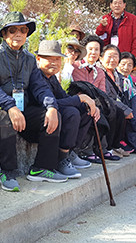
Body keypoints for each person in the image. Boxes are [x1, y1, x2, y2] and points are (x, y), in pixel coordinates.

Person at [0, 12, 67, 192]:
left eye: (23, 30)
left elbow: (40, 86)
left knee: (52, 113)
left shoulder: (29, 59)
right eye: (12, 30)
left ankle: (42, 167)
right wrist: (10, 105)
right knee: (6, 117)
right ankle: (7, 172)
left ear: (27, 34)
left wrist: (51, 106)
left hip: (21, 108)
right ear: (4, 34)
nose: (18, 34)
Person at [35, 40, 100, 176]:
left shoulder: (52, 77)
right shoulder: (36, 75)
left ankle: (71, 151)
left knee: (85, 109)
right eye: (49, 59)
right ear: (38, 59)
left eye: (57, 59)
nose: (54, 62)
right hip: (38, 117)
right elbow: (50, 103)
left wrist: (86, 102)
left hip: (53, 112)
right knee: (71, 112)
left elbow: (62, 98)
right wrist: (80, 98)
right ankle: (62, 158)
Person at [98, 44, 134, 157]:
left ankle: (116, 145)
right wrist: (125, 109)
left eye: (115, 56)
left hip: (112, 103)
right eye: (109, 56)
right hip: (102, 103)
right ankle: (109, 147)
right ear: (101, 58)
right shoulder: (100, 72)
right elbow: (105, 95)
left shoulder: (116, 74)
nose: (113, 60)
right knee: (118, 112)